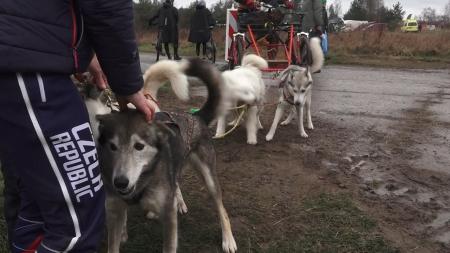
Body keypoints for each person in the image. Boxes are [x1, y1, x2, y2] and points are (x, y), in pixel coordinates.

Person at [0, 0, 155, 252]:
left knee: (38, 203)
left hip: (21, 56)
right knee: (77, 220)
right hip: (28, 67)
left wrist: (82, 52)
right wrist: (127, 83)